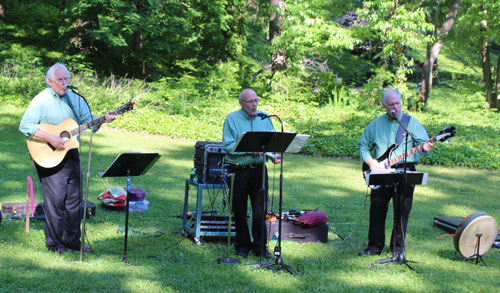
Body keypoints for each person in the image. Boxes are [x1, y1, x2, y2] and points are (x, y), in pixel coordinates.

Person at [19, 63, 116, 253]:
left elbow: (88, 122)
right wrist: (51, 138)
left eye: (66, 79)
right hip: (49, 153)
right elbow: (25, 126)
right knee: (55, 201)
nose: (64, 83)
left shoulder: (74, 98)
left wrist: (103, 119)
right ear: (50, 82)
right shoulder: (41, 100)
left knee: (74, 200)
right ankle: (54, 244)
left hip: (71, 151)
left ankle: (73, 241)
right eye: (60, 80)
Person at [357, 89, 433, 257]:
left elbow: (424, 144)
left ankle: (398, 249)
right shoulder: (376, 124)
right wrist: (370, 161)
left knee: (402, 209)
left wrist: (426, 147)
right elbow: (362, 145)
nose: (395, 107)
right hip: (380, 171)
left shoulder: (411, 123)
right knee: (377, 207)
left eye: (398, 103)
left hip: (406, 169)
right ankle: (374, 246)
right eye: (391, 104)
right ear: (384, 106)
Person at [222, 88, 280, 259]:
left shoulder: (264, 118)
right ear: (241, 103)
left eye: (256, 100)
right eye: (250, 101)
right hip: (239, 171)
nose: (254, 104)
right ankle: (242, 246)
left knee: (261, 210)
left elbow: (271, 141)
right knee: (239, 210)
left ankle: (260, 247)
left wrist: (273, 155)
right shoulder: (232, 119)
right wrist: (249, 151)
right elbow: (228, 145)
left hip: (259, 171)